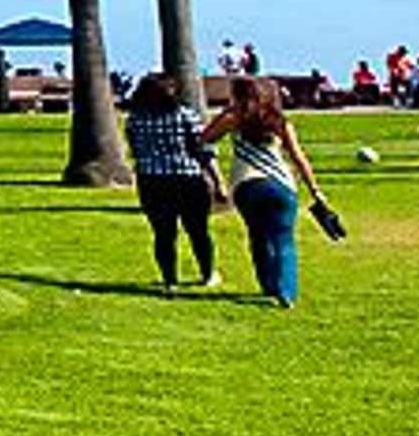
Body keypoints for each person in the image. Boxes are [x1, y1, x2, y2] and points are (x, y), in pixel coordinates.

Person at [200, 73, 328, 308]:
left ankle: (268, 285)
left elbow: (205, 139)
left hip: (246, 185)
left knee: (258, 237)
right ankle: (286, 292)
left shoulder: (234, 119)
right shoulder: (279, 122)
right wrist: (315, 191)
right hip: (281, 185)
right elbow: (298, 158)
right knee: (284, 240)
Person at [126, 72, 223, 292]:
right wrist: (218, 182)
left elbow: (135, 148)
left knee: (163, 233)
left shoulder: (136, 120)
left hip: (151, 180)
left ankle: (170, 279)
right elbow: (203, 150)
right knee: (198, 231)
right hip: (187, 178)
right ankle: (207, 273)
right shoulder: (185, 115)